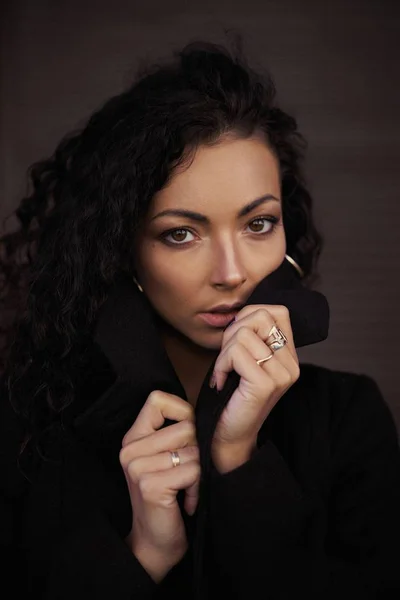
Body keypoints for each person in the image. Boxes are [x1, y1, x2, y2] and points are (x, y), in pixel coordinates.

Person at [0, 39, 399, 600]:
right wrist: (144, 556)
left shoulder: (350, 421)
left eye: (258, 224)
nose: (232, 272)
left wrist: (240, 462)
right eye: (180, 233)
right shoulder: (28, 433)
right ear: (123, 250)